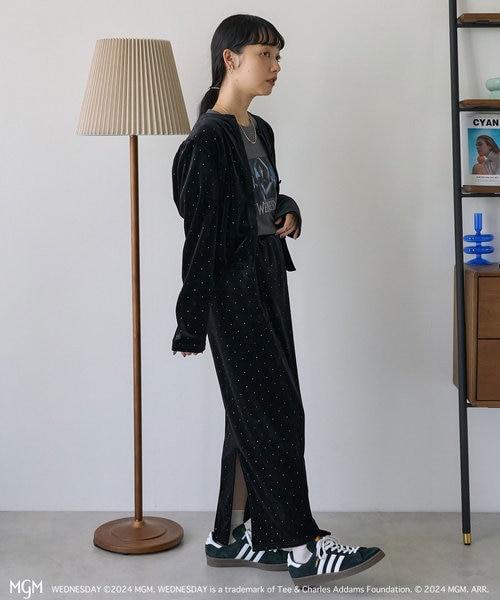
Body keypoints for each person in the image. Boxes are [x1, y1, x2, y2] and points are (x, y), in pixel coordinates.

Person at [171, 14, 384, 587]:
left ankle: (228, 536)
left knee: (252, 414)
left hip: (269, 279)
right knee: (276, 413)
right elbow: (200, 235)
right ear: (230, 59)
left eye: (278, 56)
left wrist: (287, 209)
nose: (276, 66)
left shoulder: (259, 130)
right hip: (231, 291)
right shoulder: (205, 141)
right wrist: (191, 322)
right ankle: (300, 546)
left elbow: (263, 196)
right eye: (265, 54)